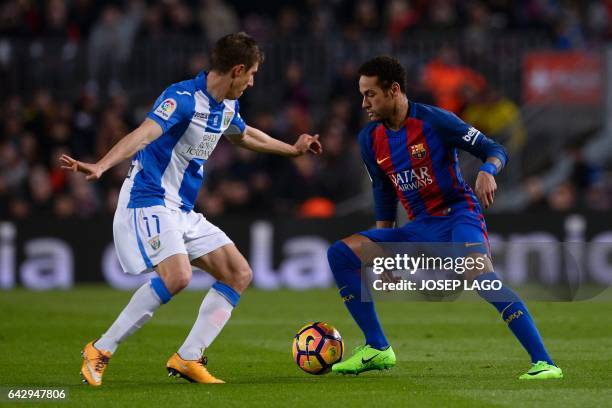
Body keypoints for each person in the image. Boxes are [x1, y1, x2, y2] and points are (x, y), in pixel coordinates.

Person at [61, 32, 322, 386]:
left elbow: (244, 135)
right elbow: (143, 134)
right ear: (237, 69)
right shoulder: (182, 98)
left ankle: (188, 358)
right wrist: (102, 165)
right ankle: (100, 349)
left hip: (181, 209)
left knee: (238, 273)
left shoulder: (227, 105)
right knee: (178, 276)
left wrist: (292, 150)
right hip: (148, 197)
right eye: (252, 74)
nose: (252, 82)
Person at [327, 56, 562, 380]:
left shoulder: (436, 121)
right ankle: (377, 347)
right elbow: (384, 193)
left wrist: (487, 171)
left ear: (393, 90)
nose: (364, 102)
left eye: (370, 94)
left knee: (484, 281)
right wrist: (382, 261)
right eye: (362, 94)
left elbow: (495, 148)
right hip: (419, 227)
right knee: (340, 253)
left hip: (457, 216)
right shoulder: (370, 139)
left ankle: (545, 363)